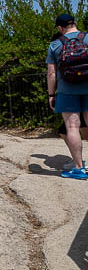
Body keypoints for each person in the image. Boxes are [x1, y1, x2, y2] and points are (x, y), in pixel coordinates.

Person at [47, 13, 88, 179]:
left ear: (59, 28)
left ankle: (79, 169)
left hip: (67, 89)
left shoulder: (55, 45)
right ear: (75, 23)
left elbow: (51, 73)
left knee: (72, 127)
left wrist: (51, 94)